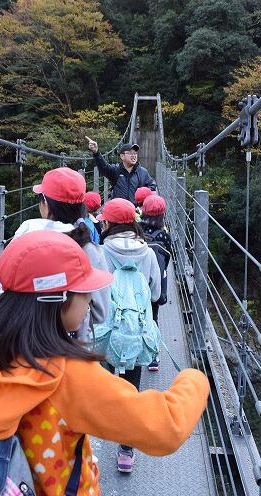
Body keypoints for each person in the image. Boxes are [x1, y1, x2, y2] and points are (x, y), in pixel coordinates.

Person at [0, 230, 210, 496]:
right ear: (58, 298)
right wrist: (194, 379)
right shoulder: (69, 376)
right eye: (84, 292)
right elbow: (166, 428)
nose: (90, 301)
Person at [0, 167, 109, 334]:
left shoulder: (23, 239)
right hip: (69, 341)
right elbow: (100, 314)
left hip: (16, 334)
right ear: (82, 206)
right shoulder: (88, 247)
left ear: (45, 203)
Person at [97, 197, 163, 472]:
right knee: (131, 387)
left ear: (108, 224)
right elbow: (156, 294)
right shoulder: (148, 253)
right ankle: (126, 451)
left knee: (102, 382)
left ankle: (96, 430)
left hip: (105, 332)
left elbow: (93, 295)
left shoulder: (101, 253)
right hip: (135, 332)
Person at [141, 194, 172, 373]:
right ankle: (153, 356)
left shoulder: (136, 231)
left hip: (138, 282)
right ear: (163, 214)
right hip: (155, 284)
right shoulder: (164, 236)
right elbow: (166, 261)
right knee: (153, 318)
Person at [85, 136, 156, 204]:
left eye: (135, 153)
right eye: (130, 153)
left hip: (135, 209)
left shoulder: (143, 172)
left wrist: (143, 192)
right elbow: (103, 167)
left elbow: (152, 185)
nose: (134, 156)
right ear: (122, 156)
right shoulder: (116, 170)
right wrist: (96, 153)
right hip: (119, 209)